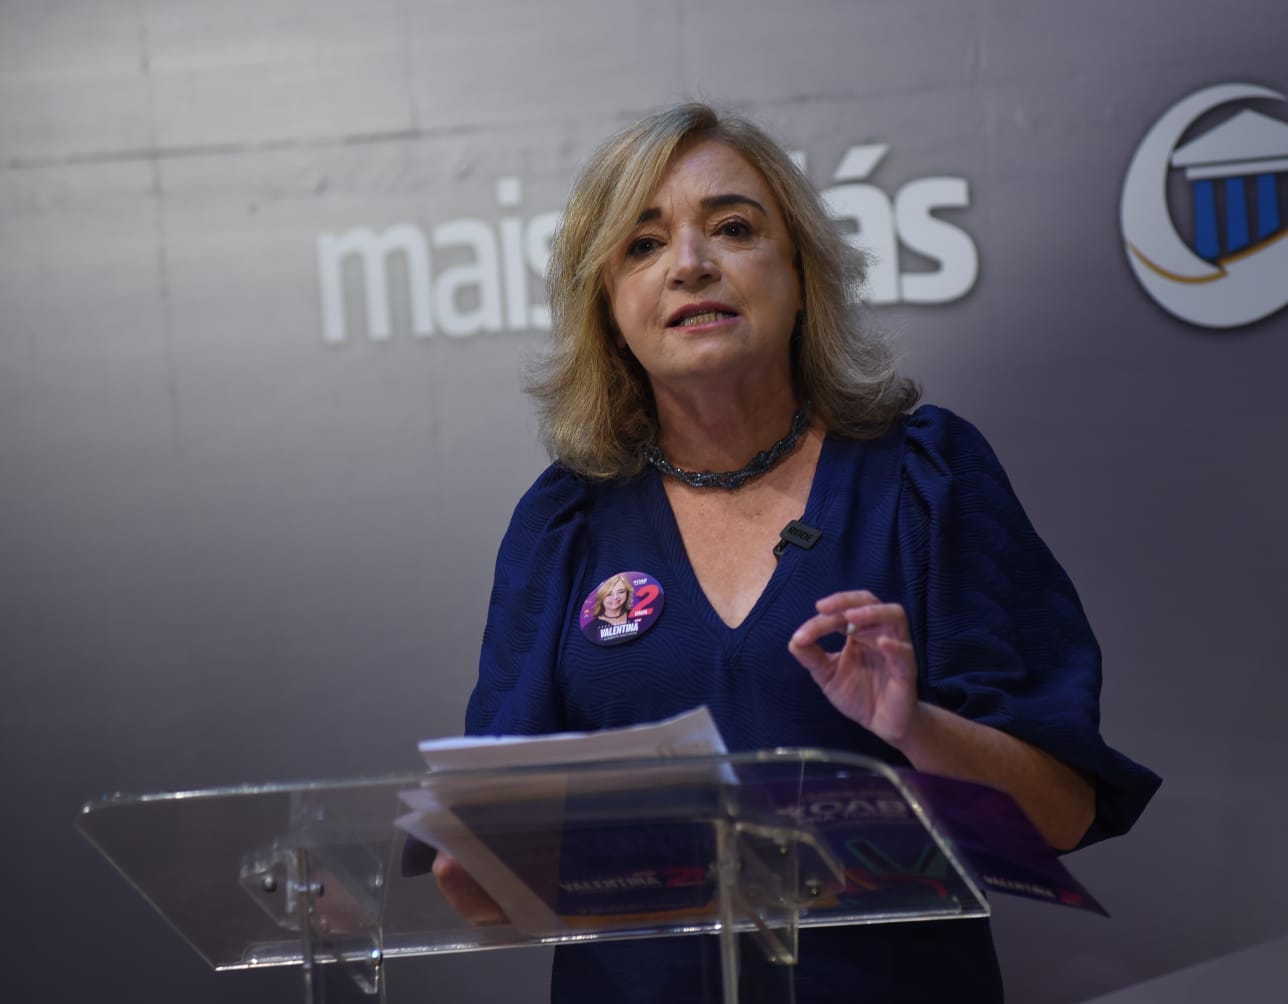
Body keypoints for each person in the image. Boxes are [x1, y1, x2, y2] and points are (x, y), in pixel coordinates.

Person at [431, 102, 1161, 1002]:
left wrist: (914, 727)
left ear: (802, 273)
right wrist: (486, 878)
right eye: (643, 245)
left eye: (734, 228)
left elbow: (1063, 814)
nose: (690, 264)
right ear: (609, 309)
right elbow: (491, 875)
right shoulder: (565, 521)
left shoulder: (924, 479)